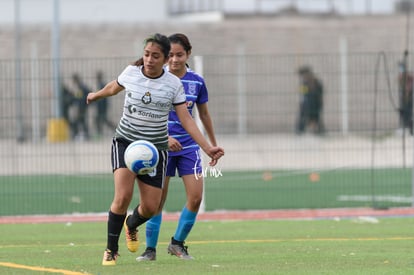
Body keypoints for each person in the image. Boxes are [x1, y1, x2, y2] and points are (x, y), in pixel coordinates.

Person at [86, 33, 224, 266]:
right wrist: (96, 95)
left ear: (165, 58)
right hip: (126, 142)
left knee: (151, 207)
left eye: (155, 56)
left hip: (155, 148)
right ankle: (111, 249)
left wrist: (207, 147)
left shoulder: (173, 84)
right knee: (122, 197)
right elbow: (113, 87)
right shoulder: (131, 73)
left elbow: (188, 120)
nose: (149, 59)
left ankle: (131, 224)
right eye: (147, 54)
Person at [137, 33, 218, 261]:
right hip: (160, 147)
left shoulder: (197, 82)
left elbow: (203, 114)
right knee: (156, 202)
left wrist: (211, 144)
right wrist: (163, 137)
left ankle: (177, 244)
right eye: (170, 55)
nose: (174, 60)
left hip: (189, 148)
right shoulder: (155, 80)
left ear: (188, 55)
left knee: (195, 197)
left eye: (179, 55)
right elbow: (147, 114)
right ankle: (150, 249)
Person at [295, 65, 325, 135]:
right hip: (307, 104)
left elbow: (318, 94)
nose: (302, 77)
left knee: (314, 118)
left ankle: (318, 131)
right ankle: (300, 131)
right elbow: (303, 94)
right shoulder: (304, 83)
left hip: (314, 104)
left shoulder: (316, 82)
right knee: (305, 118)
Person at [95, 71, 116, 137]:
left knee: (101, 120)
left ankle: (100, 133)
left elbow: (103, 97)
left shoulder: (102, 85)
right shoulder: (100, 84)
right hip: (101, 107)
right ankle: (114, 129)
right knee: (101, 120)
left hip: (102, 107)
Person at [72, 73, 91, 140]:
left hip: (82, 108)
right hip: (82, 107)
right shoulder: (81, 86)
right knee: (81, 121)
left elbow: (81, 98)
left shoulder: (81, 87)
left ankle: (80, 134)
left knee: (79, 120)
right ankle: (85, 134)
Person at [397, 61, 413, 135]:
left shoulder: (407, 76)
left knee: (407, 112)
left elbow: (409, 85)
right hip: (403, 97)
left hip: (407, 97)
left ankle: (409, 128)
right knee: (403, 112)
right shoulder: (401, 76)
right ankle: (404, 127)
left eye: (401, 67)